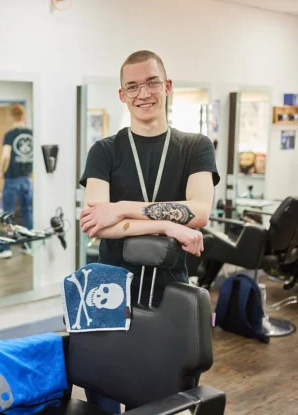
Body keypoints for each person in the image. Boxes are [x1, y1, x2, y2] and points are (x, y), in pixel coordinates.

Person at [79, 50, 220, 413]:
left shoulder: (195, 147)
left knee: (161, 402)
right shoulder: (104, 151)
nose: (144, 93)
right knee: (103, 395)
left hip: (169, 291)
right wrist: (168, 224)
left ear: (167, 86)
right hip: (105, 289)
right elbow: (98, 225)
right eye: (133, 86)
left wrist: (122, 209)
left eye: (152, 82)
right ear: (122, 95)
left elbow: (200, 212)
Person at [0, 104, 34, 259]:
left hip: (12, 179)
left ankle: (5, 248)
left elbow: (5, 156)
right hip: (27, 179)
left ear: (11, 117)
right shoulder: (32, 133)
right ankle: (28, 245)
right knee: (27, 212)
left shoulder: (10, 135)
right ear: (24, 116)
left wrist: (1, 170)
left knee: (7, 213)